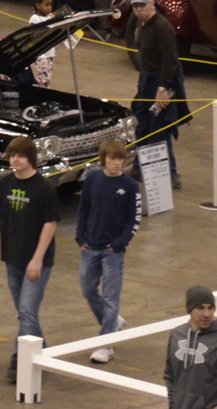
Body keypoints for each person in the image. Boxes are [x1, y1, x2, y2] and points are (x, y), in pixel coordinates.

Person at [0, 136, 61, 384]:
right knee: (25, 313)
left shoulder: (44, 188)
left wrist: (37, 259)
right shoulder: (4, 184)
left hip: (37, 261)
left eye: (21, 155)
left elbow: (50, 225)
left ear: (31, 158)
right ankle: (43, 351)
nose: (15, 160)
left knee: (27, 310)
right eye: (12, 155)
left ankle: (20, 359)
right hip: (12, 258)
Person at [76, 139, 141, 365]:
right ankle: (113, 322)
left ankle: (106, 345)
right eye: (112, 159)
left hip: (113, 251)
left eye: (120, 159)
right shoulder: (92, 179)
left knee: (111, 297)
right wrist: (80, 236)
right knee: (87, 287)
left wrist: (120, 243)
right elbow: (84, 207)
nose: (116, 163)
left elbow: (134, 218)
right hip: (90, 246)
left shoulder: (130, 186)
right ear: (104, 159)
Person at [130, 0, 186, 191]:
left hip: (160, 80)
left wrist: (163, 88)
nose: (139, 9)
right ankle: (138, 167)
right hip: (146, 79)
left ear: (152, 4)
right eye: (135, 6)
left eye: (142, 5)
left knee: (160, 128)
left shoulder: (162, 27)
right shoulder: (141, 23)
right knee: (143, 125)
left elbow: (171, 61)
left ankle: (171, 175)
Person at [165, 286, 217, 409]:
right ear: (190, 310)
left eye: (210, 308)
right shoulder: (176, 336)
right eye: (200, 308)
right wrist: (174, 404)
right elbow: (170, 376)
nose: (207, 314)